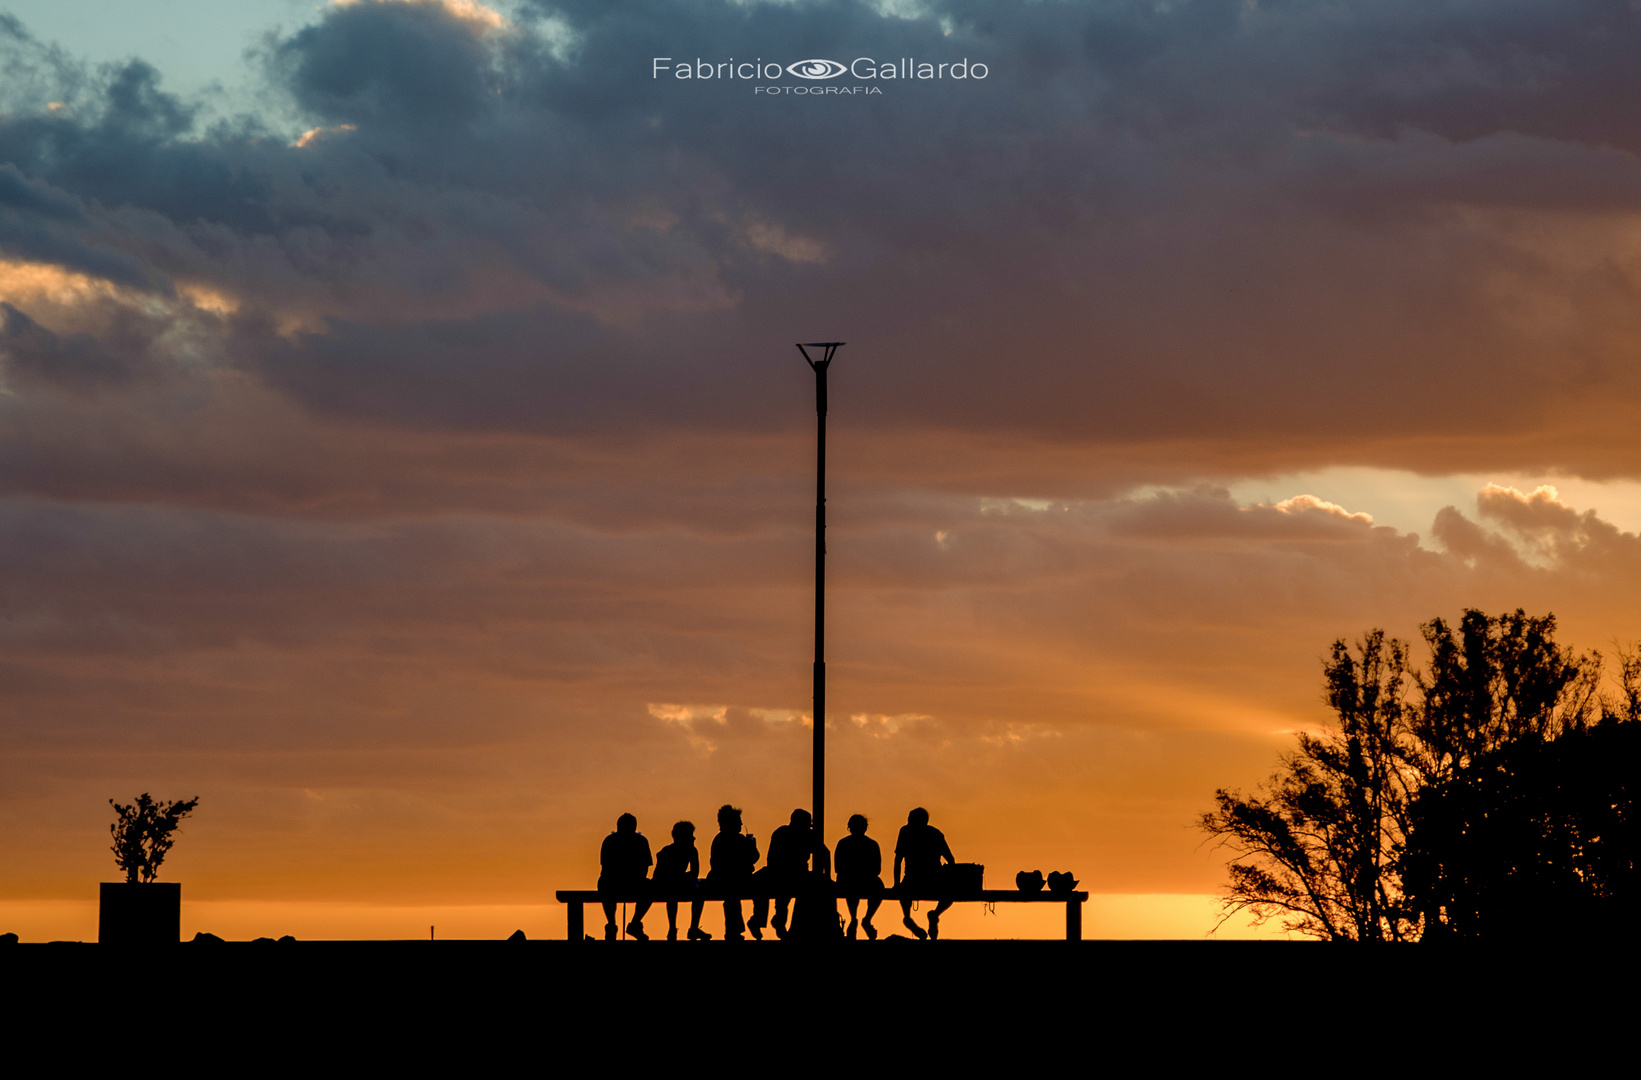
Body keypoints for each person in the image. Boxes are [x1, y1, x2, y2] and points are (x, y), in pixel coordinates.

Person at [750, 808, 813, 940]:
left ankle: (764, 920)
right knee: (773, 890)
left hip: (786, 873)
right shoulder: (800, 834)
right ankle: (770, 920)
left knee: (776, 891)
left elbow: (771, 857)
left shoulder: (783, 832)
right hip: (786, 873)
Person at [895, 806, 955, 940]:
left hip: (912, 880)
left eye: (910, 819)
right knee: (951, 894)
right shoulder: (936, 833)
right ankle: (935, 914)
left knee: (904, 893)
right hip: (934, 879)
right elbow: (951, 860)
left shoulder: (905, 832)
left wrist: (896, 883)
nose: (908, 822)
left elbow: (898, 860)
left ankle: (907, 916)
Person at [707, 804, 759, 941]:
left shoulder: (729, 839)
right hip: (726, 880)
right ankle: (736, 930)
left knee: (735, 896)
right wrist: (752, 847)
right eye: (738, 821)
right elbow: (752, 860)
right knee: (732, 896)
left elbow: (752, 859)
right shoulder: (725, 840)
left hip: (732, 880)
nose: (741, 823)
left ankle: (751, 922)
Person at [599, 812, 653, 941]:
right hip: (615, 881)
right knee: (605, 885)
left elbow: (644, 867)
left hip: (625, 881)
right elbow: (606, 867)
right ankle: (614, 924)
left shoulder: (611, 840)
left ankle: (628, 923)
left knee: (650, 887)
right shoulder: (612, 841)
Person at [652, 820, 709, 941]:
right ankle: (673, 928)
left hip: (680, 881)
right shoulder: (666, 852)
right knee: (672, 892)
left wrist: (683, 878)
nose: (694, 838)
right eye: (690, 835)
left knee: (700, 888)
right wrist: (682, 877)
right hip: (666, 884)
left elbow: (694, 873)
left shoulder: (692, 851)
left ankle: (693, 928)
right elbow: (659, 876)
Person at [835, 813, 884, 940]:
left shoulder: (843, 843)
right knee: (874, 886)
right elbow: (877, 869)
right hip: (856, 880)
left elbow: (838, 868)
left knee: (859, 887)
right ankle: (864, 919)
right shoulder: (872, 844)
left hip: (851, 880)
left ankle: (855, 919)